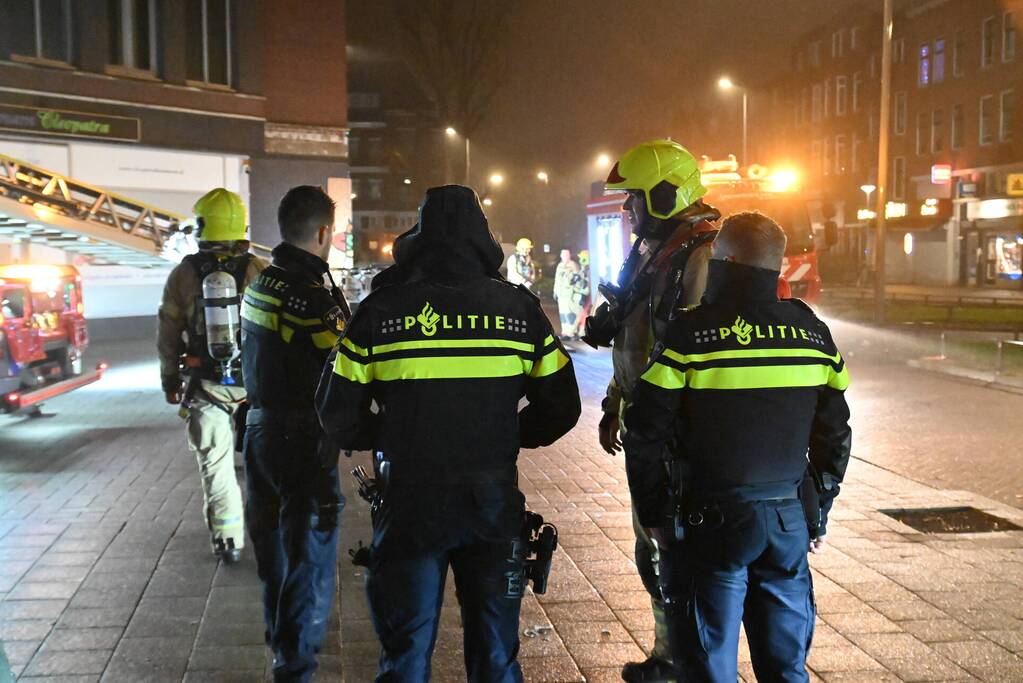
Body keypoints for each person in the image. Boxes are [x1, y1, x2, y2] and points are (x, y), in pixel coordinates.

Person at [316, 185, 581, 682]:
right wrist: (506, 434)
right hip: (492, 502)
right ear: (483, 240)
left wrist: (393, 432)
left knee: (405, 656)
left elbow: (336, 412)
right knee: (496, 656)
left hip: (409, 502)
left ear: (418, 237)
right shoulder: (520, 312)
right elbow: (562, 406)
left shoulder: (381, 312)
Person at [623, 211, 852, 682]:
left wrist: (655, 513)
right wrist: (817, 507)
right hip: (787, 525)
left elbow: (644, 430)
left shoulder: (689, 335)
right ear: (778, 267)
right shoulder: (814, 335)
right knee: (787, 670)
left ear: (722, 262)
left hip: (708, 527)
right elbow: (835, 434)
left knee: (707, 667)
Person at [583, 139, 719, 683]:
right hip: (647, 423)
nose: (626, 209)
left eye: (633, 197)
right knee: (653, 547)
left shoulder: (700, 252)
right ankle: (671, 654)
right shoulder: (654, 249)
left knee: (675, 549)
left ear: (665, 193)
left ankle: (691, 661)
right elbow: (638, 335)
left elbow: (692, 349)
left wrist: (653, 418)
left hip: (678, 432)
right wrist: (615, 403)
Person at [240, 185, 351, 682]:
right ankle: (295, 665)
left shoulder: (260, 284)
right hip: (302, 442)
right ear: (324, 232)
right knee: (309, 557)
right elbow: (348, 361)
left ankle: (279, 640)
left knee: (275, 554)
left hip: (259, 433)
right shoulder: (311, 299)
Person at [157, 188, 267, 563]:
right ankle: (272, 533)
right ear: (241, 226)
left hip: (206, 386)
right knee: (265, 464)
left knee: (216, 464)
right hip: (255, 385)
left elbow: (168, 332)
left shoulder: (183, 275)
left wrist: (169, 380)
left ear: (201, 227)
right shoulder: (258, 270)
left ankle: (227, 538)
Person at [553, 248, 583, 339]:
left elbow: (578, 279)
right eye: (563, 254)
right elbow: (557, 279)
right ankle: (565, 332)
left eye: (567, 254)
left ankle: (571, 332)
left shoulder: (573, 265)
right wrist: (555, 291)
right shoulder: (560, 265)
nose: (565, 256)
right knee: (563, 314)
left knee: (570, 313)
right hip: (561, 294)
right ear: (561, 256)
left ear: (569, 255)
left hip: (569, 294)